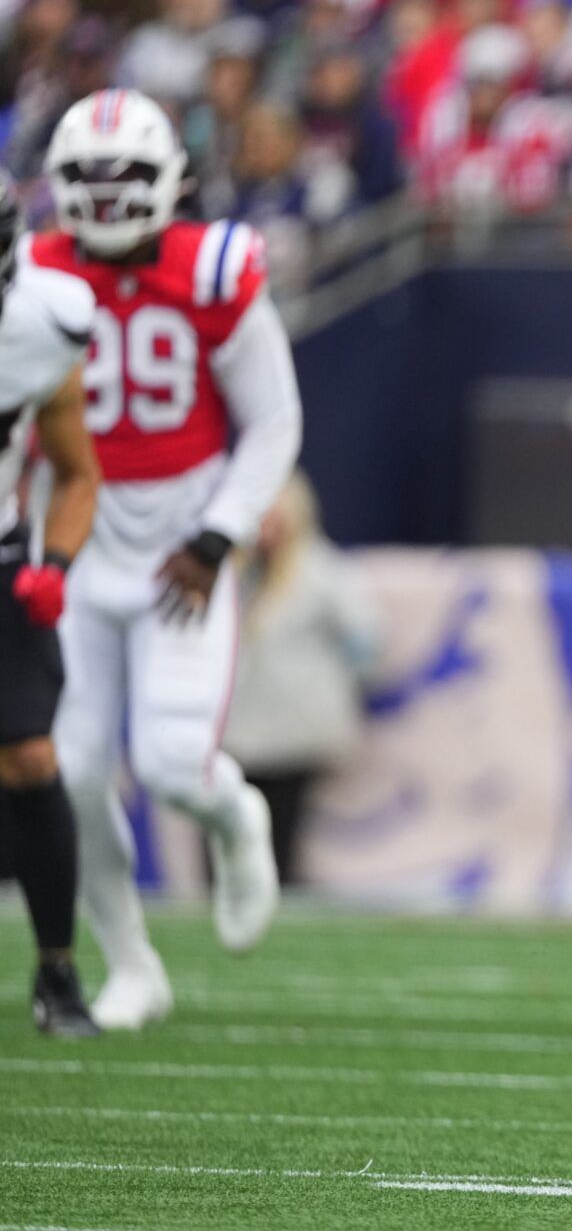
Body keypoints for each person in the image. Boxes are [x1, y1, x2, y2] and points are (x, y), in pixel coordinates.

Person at [31, 88, 304, 1033]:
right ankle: (132, 965)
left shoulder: (212, 268)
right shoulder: (30, 274)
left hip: (179, 543)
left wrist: (217, 534)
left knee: (174, 767)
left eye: (126, 177)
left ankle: (236, 819)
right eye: (88, 180)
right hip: (75, 542)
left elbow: (273, 418)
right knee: (68, 772)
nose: (107, 198)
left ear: (169, 180)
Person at [0, 170, 103, 1036]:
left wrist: (57, 562)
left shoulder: (41, 323)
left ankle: (57, 971)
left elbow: (76, 472)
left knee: (30, 756)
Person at [222, 473, 381, 885]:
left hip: (294, 730)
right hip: (240, 728)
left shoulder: (320, 572)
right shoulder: (234, 572)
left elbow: (367, 641)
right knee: (231, 823)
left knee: (281, 828)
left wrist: (327, 685)